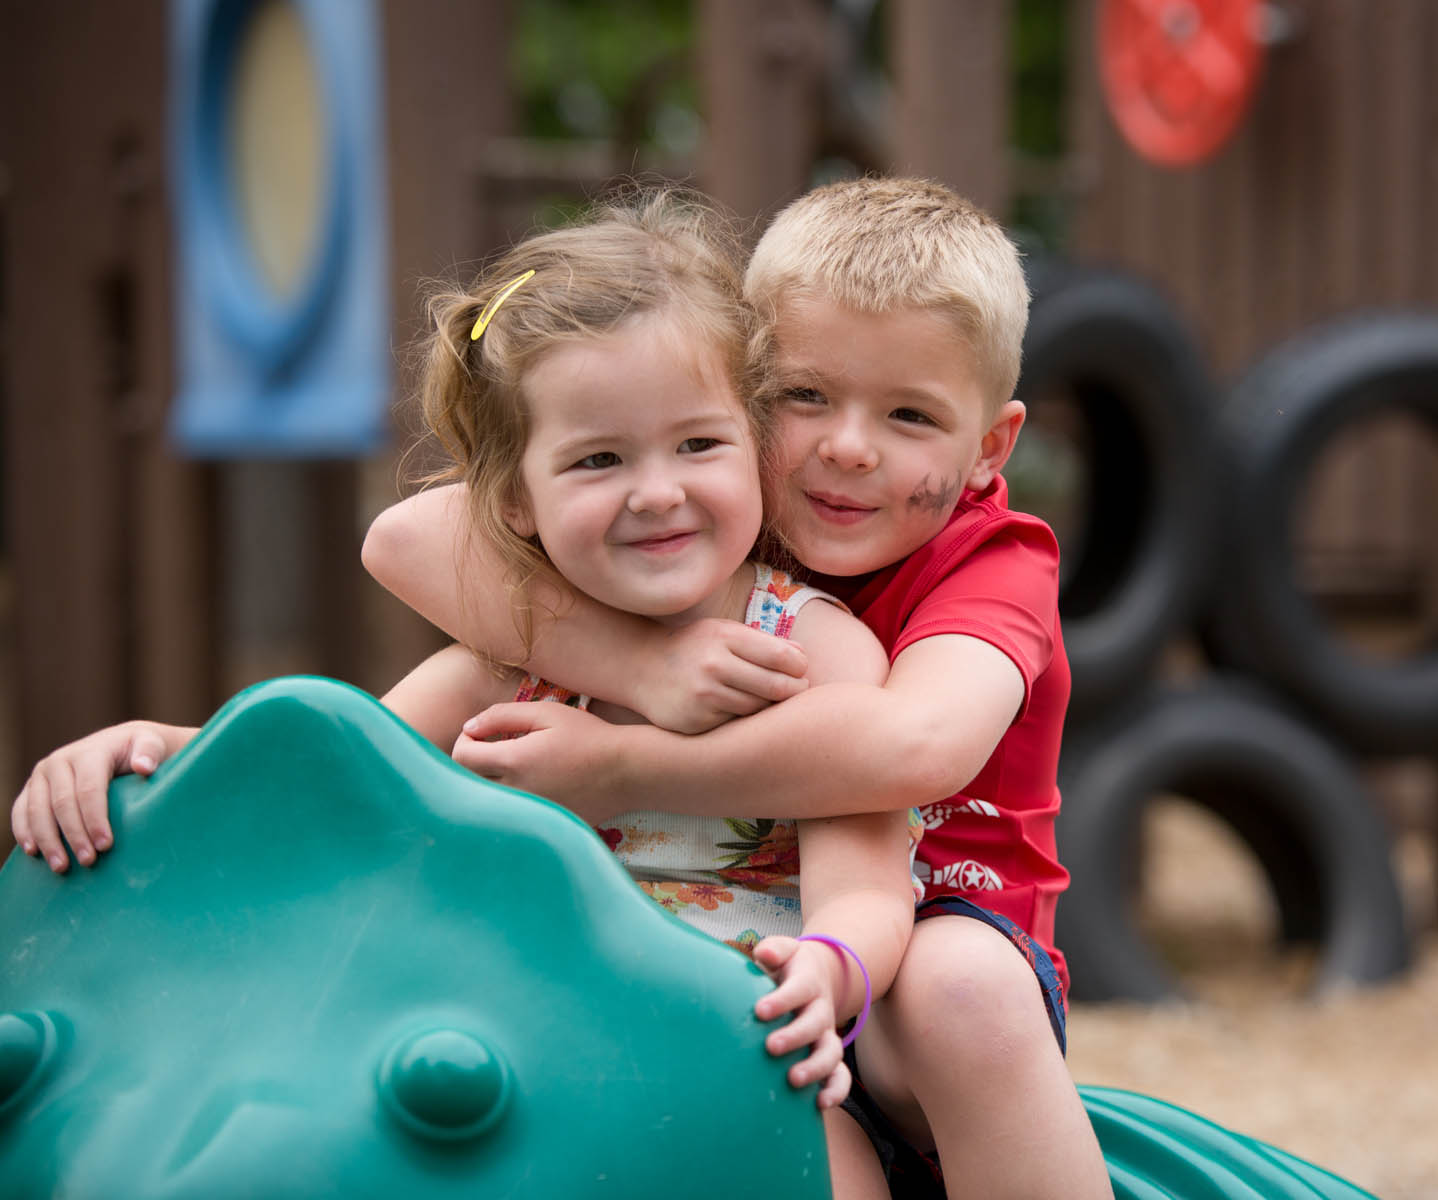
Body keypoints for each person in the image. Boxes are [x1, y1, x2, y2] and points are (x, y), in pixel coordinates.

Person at [9, 190, 916, 1199]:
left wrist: (829, 966)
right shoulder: (505, 658)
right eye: (598, 460)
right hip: (501, 1050)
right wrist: (151, 752)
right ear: (518, 500)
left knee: (826, 1173)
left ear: (757, 445)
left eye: (698, 444)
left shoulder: (817, 654)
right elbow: (334, 788)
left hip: (731, 1041)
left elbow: (870, 882)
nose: (656, 491)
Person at [360, 177, 1112, 1199]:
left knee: (957, 988)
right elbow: (406, 538)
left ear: (990, 447)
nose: (847, 445)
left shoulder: (984, 565)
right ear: (750, 399)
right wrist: (642, 667)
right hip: (652, 998)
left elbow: (910, 750)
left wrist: (628, 764)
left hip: (917, 957)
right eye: (806, 397)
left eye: (908, 414)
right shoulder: (709, 519)